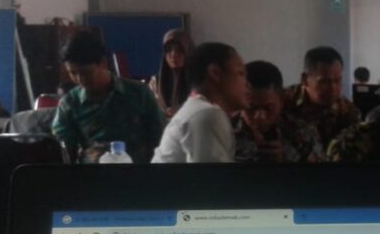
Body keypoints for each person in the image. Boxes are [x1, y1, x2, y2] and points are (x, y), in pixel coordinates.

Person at [52, 32, 164, 163]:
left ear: (103, 63)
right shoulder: (70, 104)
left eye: (86, 73)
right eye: (73, 73)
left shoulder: (139, 93)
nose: (80, 79)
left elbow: (159, 137)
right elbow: (63, 147)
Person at [152, 43, 248, 163]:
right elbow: (212, 175)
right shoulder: (207, 114)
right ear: (215, 73)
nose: (246, 83)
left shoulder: (198, 109)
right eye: (240, 73)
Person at [235, 61, 323, 163]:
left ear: (281, 101)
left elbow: (322, 172)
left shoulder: (302, 133)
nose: (260, 116)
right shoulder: (225, 132)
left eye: (268, 108)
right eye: (251, 107)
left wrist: (281, 164)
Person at [282, 46, 360, 147]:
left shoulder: (347, 111)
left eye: (337, 81)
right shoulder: (281, 101)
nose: (333, 88)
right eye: (324, 82)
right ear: (304, 79)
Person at [148, 29, 194, 118]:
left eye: (179, 50)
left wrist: (182, 109)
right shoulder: (155, 82)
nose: (173, 55)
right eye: (169, 50)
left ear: (188, 51)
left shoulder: (199, 80)